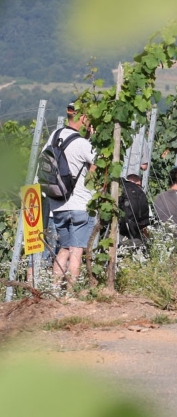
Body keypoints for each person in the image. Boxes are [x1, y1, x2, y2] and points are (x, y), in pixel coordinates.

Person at [44, 102, 96, 290]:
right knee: (76, 250)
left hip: (58, 204)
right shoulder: (83, 144)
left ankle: (55, 290)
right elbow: (98, 165)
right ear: (83, 117)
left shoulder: (54, 136)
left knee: (64, 249)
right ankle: (71, 293)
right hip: (80, 204)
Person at [119, 173, 151, 245]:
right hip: (134, 239)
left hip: (118, 235)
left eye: (138, 186)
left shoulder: (119, 194)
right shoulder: (142, 199)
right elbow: (145, 226)